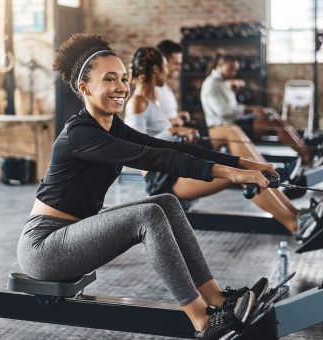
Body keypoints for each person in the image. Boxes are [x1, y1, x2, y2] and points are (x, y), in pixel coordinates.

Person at [17, 33, 272, 340]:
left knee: (165, 201)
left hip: (71, 237)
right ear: (84, 88)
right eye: (110, 79)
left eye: (123, 78)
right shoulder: (80, 134)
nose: (121, 87)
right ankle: (204, 323)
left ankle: (218, 300)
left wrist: (244, 164)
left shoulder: (110, 125)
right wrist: (229, 175)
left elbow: (169, 148)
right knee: (147, 216)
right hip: (45, 247)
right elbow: (153, 157)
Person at [125, 47, 315, 233]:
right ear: (157, 69)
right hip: (164, 177)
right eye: (166, 66)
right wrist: (173, 131)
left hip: (178, 159)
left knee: (231, 131)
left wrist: (177, 127)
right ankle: (293, 223)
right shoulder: (137, 102)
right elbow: (136, 147)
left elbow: (158, 131)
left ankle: (295, 212)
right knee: (244, 173)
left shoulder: (153, 99)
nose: (169, 71)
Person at [201, 54, 314, 163]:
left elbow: (232, 107)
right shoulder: (211, 84)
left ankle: (305, 150)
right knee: (275, 124)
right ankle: (305, 154)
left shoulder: (222, 82)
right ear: (219, 66)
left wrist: (255, 109)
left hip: (235, 121)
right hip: (224, 127)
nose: (234, 73)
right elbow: (223, 112)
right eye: (231, 69)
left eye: (235, 69)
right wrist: (252, 110)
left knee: (277, 120)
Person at [155, 39, 190, 126]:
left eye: (180, 64)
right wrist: (174, 122)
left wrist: (177, 116)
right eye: (176, 64)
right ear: (163, 62)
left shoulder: (164, 86)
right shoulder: (151, 90)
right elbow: (149, 126)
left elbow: (162, 116)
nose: (179, 68)